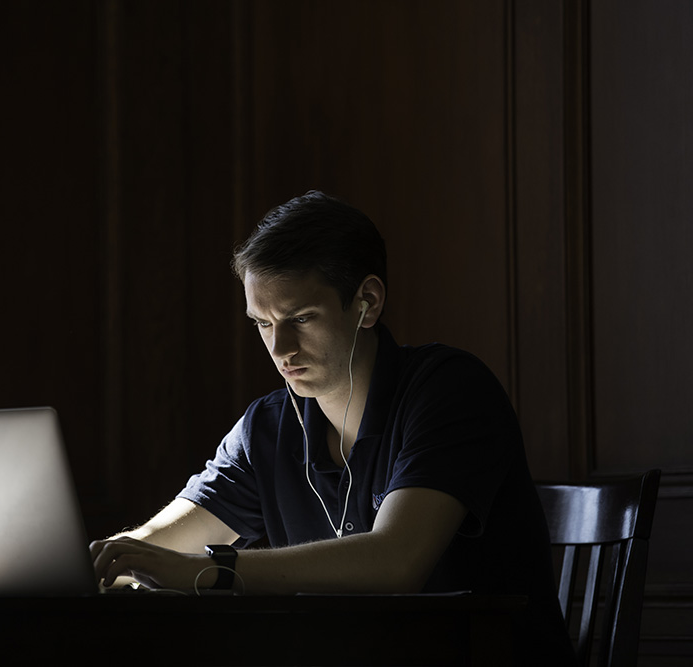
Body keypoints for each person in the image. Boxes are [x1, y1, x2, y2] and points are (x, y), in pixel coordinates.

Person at [90, 190, 575, 663]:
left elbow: (395, 561)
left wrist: (209, 571)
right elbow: (161, 545)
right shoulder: (267, 427)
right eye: (262, 323)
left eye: (300, 318)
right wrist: (111, 562)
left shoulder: (449, 390)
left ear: (367, 300)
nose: (280, 349)